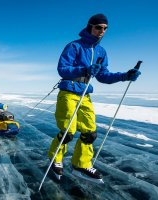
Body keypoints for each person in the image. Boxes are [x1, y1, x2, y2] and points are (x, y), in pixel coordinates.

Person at [47, 14, 141, 181]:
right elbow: (63, 69)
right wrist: (85, 69)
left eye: (105, 28)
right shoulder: (74, 46)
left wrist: (125, 76)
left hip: (85, 94)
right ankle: (56, 158)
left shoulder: (101, 51)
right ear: (90, 26)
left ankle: (81, 164)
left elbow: (104, 76)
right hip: (69, 91)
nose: (102, 31)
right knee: (68, 131)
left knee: (90, 133)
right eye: (98, 27)